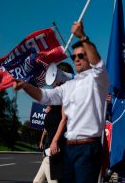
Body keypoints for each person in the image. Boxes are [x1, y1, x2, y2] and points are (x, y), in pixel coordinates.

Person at [13, 21, 109, 183]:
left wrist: (83, 37)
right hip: (69, 148)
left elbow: (98, 64)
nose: (76, 59)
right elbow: (45, 96)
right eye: (74, 56)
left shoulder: (98, 79)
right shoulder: (69, 86)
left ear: (88, 57)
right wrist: (25, 86)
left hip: (88, 147)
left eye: (81, 55)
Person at [33, 62, 74, 183]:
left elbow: (64, 120)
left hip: (56, 147)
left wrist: (55, 142)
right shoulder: (55, 99)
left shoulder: (67, 95)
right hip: (50, 148)